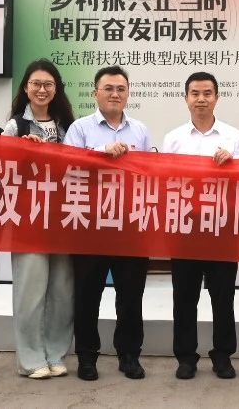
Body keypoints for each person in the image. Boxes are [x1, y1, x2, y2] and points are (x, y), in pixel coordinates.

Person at [63, 66, 153, 381]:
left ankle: (129, 355)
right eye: (109, 88)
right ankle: (87, 357)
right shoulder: (80, 128)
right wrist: (102, 152)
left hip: (130, 226)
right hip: (90, 225)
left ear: (128, 93)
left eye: (121, 89)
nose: (115, 94)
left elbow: (149, 173)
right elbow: (69, 166)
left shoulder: (140, 130)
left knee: (131, 296)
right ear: (95, 93)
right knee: (87, 296)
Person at [160, 71, 239, 381]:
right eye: (195, 93)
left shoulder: (233, 137)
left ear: (217, 98)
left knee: (223, 297)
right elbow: (164, 182)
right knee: (184, 297)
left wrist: (233, 164)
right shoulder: (173, 138)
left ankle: (223, 356)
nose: (201, 99)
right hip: (185, 229)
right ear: (186, 99)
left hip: (222, 228)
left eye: (207, 93)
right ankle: (186, 357)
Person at [3, 59, 76, 379]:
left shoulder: (69, 127)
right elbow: (0, 170)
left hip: (63, 218)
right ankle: (30, 358)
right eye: (36, 84)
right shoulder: (15, 127)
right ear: (26, 88)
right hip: (28, 219)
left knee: (62, 290)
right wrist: (21, 151)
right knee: (30, 292)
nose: (42, 90)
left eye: (48, 84)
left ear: (56, 89)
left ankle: (55, 353)